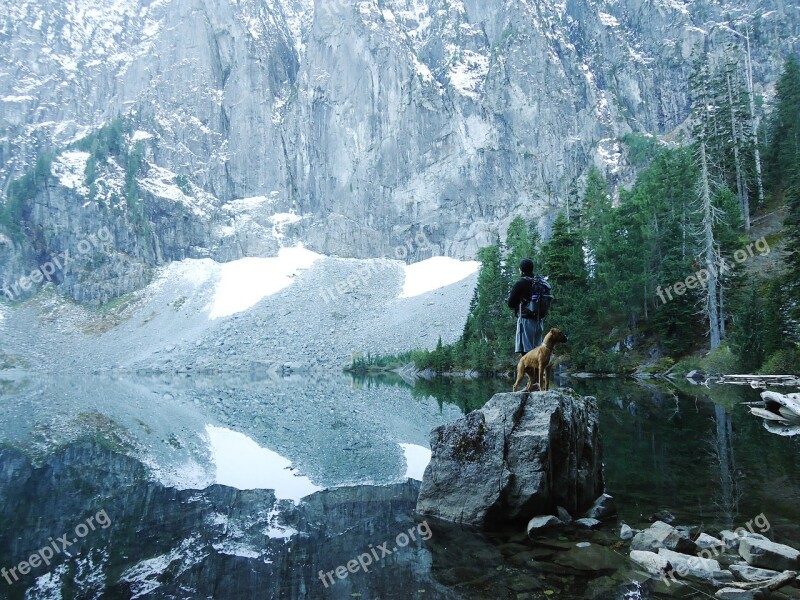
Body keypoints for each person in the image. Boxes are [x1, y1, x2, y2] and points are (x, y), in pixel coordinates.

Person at [507, 258, 551, 356]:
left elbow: (510, 303)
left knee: (527, 354)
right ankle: (538, 371)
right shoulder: (540, 282)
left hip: (525, 321)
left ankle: (531, 371)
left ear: (521, 269)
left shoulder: (521, 283)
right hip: (539, 320)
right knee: (537, 351)